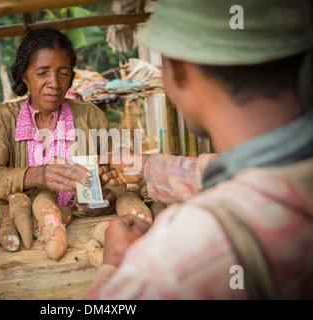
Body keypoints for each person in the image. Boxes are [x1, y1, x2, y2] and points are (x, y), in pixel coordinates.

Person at [85, 0, 313, 299]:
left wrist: (115, 261)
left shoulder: (170, 263)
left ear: (177, 71)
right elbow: (233, 173)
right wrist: (144, 165)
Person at [0, 28, 117, 251]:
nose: (55, 83)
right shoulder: (3, 119)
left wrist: (108, 198)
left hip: (86, 234)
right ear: (24, 75)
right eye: (43, 73)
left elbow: (114, 176)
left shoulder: (91, 117)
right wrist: (38, 174)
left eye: (63, 72)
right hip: (23, 237)